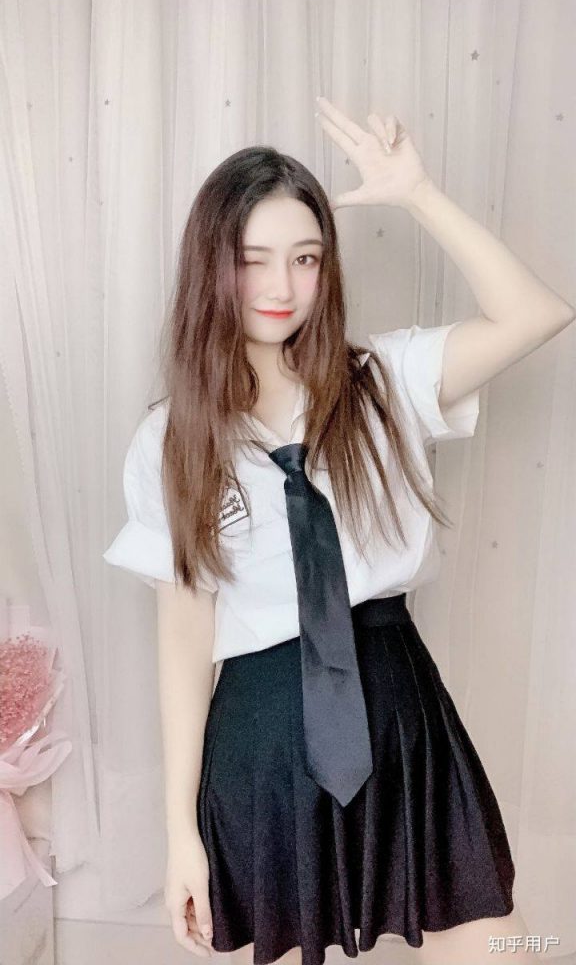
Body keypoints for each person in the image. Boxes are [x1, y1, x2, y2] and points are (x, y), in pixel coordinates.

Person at [103, 102, 574, 965]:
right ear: (212, 267)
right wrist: (180, 833)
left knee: (502, 948)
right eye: (252, 260)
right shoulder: (171, 439)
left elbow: (536, 314)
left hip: (399, 715)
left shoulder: (386, 381)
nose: (281, 287)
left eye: (305, 258)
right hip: (262, 742)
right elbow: (184, 640)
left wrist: (420, 193)